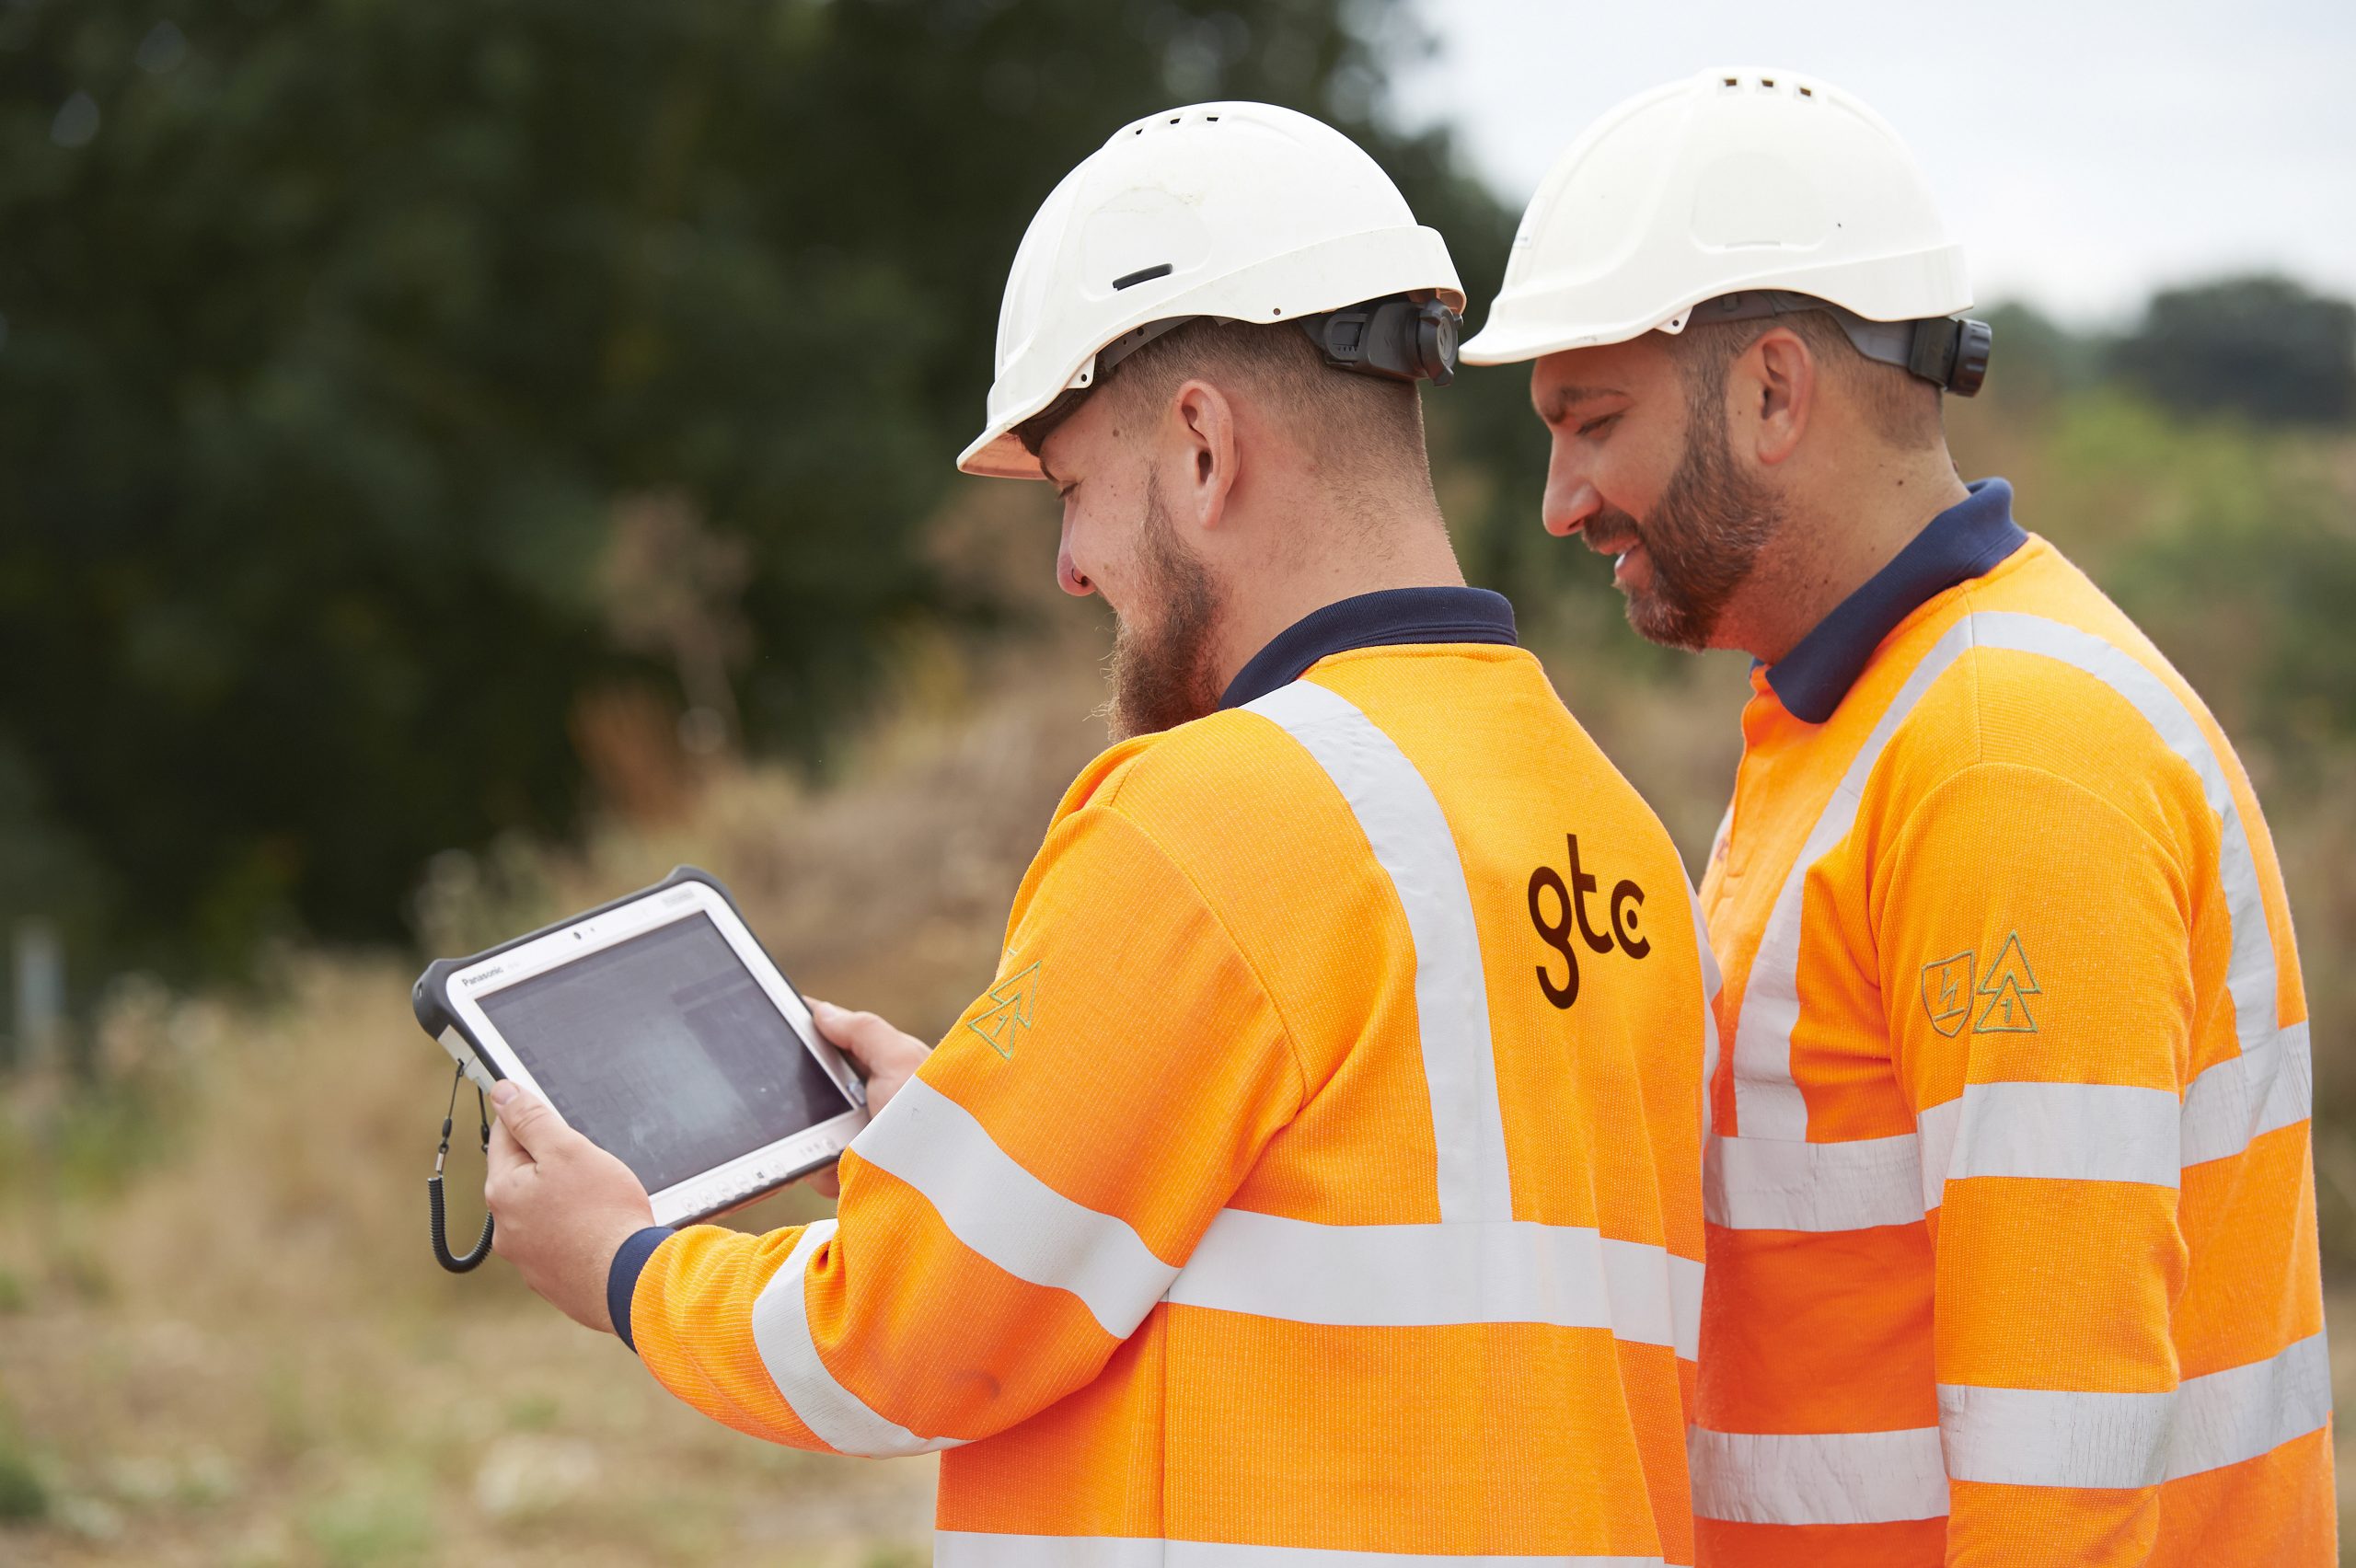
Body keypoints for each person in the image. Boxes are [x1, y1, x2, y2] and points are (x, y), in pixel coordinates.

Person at [479, 101, 1718, 1564]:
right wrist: (982, 1141)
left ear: (1200, 445)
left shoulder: (1207, 817)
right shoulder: (1615, 832)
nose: (1069, 570)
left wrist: (623, 1267)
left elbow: (898, 1337)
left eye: (1072, 491)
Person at [1460, 64, 2332, 1567]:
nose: (1560, 499)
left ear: (1774, 391)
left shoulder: (2004, 760)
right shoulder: (1866, 718)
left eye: (1591, 422)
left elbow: (2058, 1471)